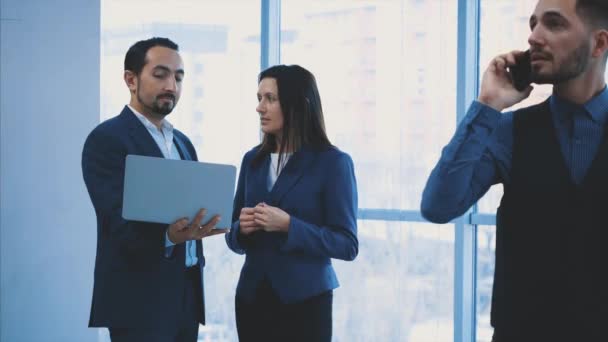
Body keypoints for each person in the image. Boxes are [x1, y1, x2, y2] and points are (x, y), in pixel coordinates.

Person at [421, 0, 608, 341]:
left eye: (554, 24)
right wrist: (488, 104)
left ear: (599, 43)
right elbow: (438, 206)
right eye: (533, 24)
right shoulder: (509, 130)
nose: (534, 37)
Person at [82, 37, 227, 342]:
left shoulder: (183, 143)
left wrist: (204, 223)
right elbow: (115, 219)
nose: (171, 86)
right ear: (131, 80)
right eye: (160, 74)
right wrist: (168, 236)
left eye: (178, 77)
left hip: (186, 296)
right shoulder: (107, 139)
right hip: (137, 300)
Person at [225, 64, 358, 342]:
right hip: (252, 299)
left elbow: (347, 244)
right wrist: (241, 229)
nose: (260, 108)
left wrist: (289, 226)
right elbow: (233, 237)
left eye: (269, 99)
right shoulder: (253, 160)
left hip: (306, 302)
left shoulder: (333, 163)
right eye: (259, 98)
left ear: (299, 104)